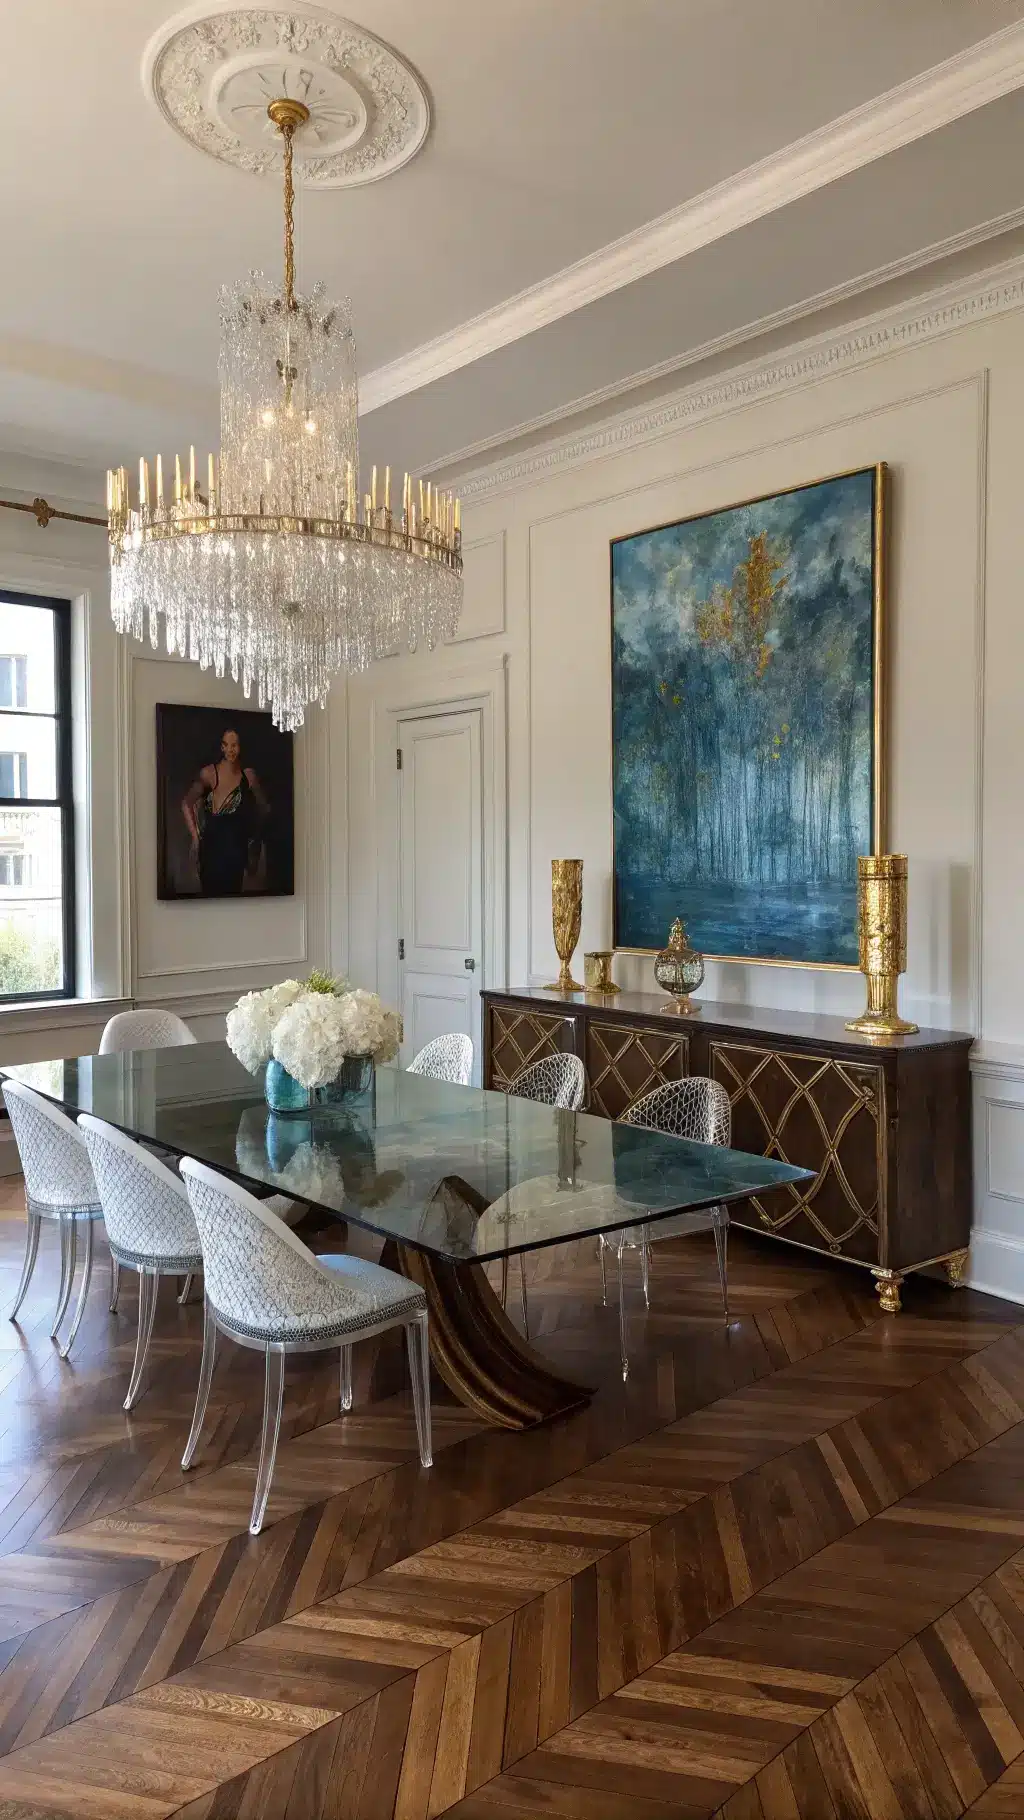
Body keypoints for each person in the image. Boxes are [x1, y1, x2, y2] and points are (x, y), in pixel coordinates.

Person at [181, 728, 269, 896]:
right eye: (226, 745)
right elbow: (186, 803)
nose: (230, 749)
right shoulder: (209, 773)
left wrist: (255, 839)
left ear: (240, 747)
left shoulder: (248, 776)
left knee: (232, 900)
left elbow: (264, 808)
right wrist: (196, 838)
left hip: (237, 850)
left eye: (234, 745)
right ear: (221, 747)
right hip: (211, 849)